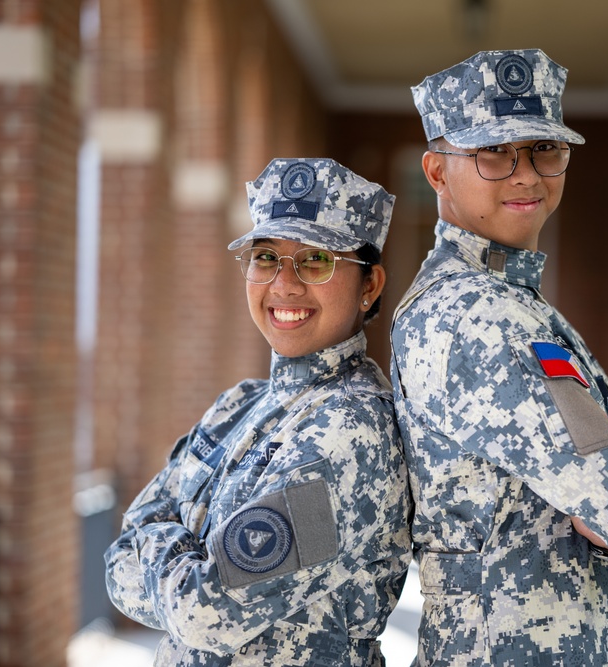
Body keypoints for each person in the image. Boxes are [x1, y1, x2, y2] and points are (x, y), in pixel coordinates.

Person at [390, 49, 608, 665]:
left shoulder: (512, 302)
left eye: (544, 151)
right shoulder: (478, 316)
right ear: (436, 171)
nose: (526, 175)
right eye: (494, 154)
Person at [105, 158, 411, 666]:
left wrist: (156, 536)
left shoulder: (352, 432)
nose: (284, 285)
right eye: (266, 257)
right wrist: (179, 562)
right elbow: (116, 562)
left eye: (316, 260)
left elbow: (204, 611)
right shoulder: (239, 405)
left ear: (370, 286)